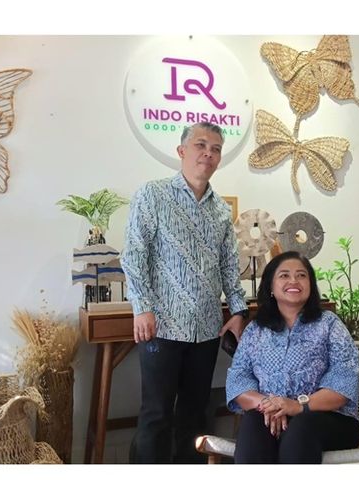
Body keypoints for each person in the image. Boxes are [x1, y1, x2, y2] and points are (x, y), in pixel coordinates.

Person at [121, 122, 248, 464]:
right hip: (161, 326)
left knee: (195, 414)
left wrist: (238, 312)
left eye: (216, 149)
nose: (208, 153)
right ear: (181, 151)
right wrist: (142, 307)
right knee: (157, 414)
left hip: (206, 331)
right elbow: (134, 254)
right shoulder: (153, 195)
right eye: (200, 145)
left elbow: (228, 265)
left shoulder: (221, 210)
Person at [225, 251, 359, 464]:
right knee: (253, 420)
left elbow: (344, 382)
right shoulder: (255, 330)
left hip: (328, 420)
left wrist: (298, 406)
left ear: (310, 284)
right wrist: (269, 405)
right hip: (271, 416)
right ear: (271, 286)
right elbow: (238, 380)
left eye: (301, 275)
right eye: (284, 275)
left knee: (301, 426)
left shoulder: (329, 324)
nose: (294, 281)